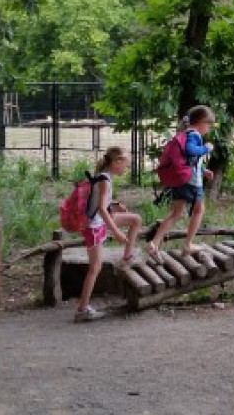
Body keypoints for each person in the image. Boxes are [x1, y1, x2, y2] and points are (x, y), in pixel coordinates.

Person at [75, 146, 143, 323]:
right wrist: (117, 232)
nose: (126, 170)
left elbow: (101, 202)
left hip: (97, 222)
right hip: (94, 226)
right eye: (125, 166)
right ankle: (82, 309)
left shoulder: (104, 175)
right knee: (95, 268)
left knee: (135, 220)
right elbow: (102, 210)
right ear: (116, 162)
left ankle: (127, 256)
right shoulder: (105, 179)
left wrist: (116, 204)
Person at [147, 106, 215, 262]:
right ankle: (188, 245)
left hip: (182, 180)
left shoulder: (185, 134)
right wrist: (206, 148)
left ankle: (154, 243)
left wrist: (203, 170)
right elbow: (191, 151)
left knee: (175, 214)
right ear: (200, 122)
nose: (209, 129)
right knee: (199, 210)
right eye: (209, 125)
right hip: (192, 182)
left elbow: (189, 159)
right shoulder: (194, 135)